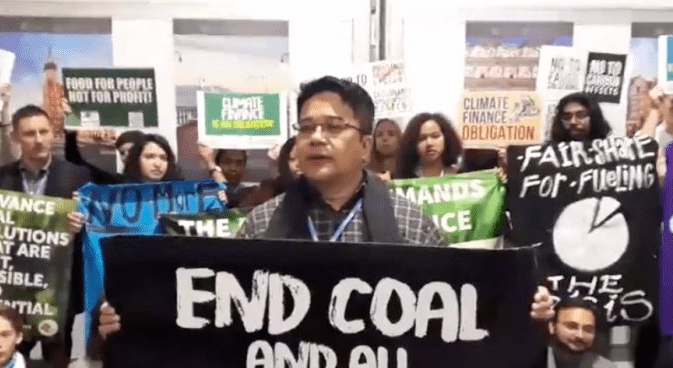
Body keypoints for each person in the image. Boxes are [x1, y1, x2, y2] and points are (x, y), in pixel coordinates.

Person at [97, 76, 554, 342]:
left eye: (333, 127)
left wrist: (521, 311)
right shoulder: (261, 224)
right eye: (306, 127)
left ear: (366, 145)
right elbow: (219, 323)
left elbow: (457, 321)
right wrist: (136, 321)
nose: (316, 138)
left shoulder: (412, 226)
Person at [0, 105, 92, 368]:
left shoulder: (77, 175)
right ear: (16, 137)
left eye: (44, 132)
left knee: (57, 362)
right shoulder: (0, 177)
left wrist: (80, 224)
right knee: (9, 358)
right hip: (13, 287)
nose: (39, 139)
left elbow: (93, 227)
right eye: (30, 133)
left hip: (59, 285)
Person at [547, 297, 619, 368]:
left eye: (588, 329)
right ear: (552, 327)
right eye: (572, 327)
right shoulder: (532, 364)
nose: (580, 335)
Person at [395, 112, 463, 179]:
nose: (429, 143)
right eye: (422, 138)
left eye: (435, 136)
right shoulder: (404, 178)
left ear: (447, 138)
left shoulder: (460, 175)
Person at [65, 129, 146, 185]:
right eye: (122, 153)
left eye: (132, 150)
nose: (127, 155)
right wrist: (70, 134)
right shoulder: (116, 183)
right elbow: (75, 160)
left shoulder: (153, 182)